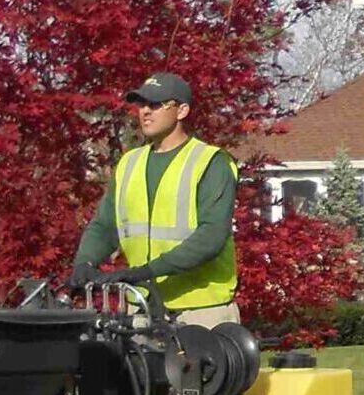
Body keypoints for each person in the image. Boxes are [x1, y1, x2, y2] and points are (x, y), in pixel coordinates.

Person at [71, 70, 241, 328]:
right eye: (142, 104)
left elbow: (211, 237)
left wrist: (145, 271)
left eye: (156, 104)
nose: (145, 111)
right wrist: (85, 262)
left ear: (181, 111)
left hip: (200, 311)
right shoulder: (130, 163)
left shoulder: (211, 162)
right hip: (141, 309)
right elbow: (105, 225)